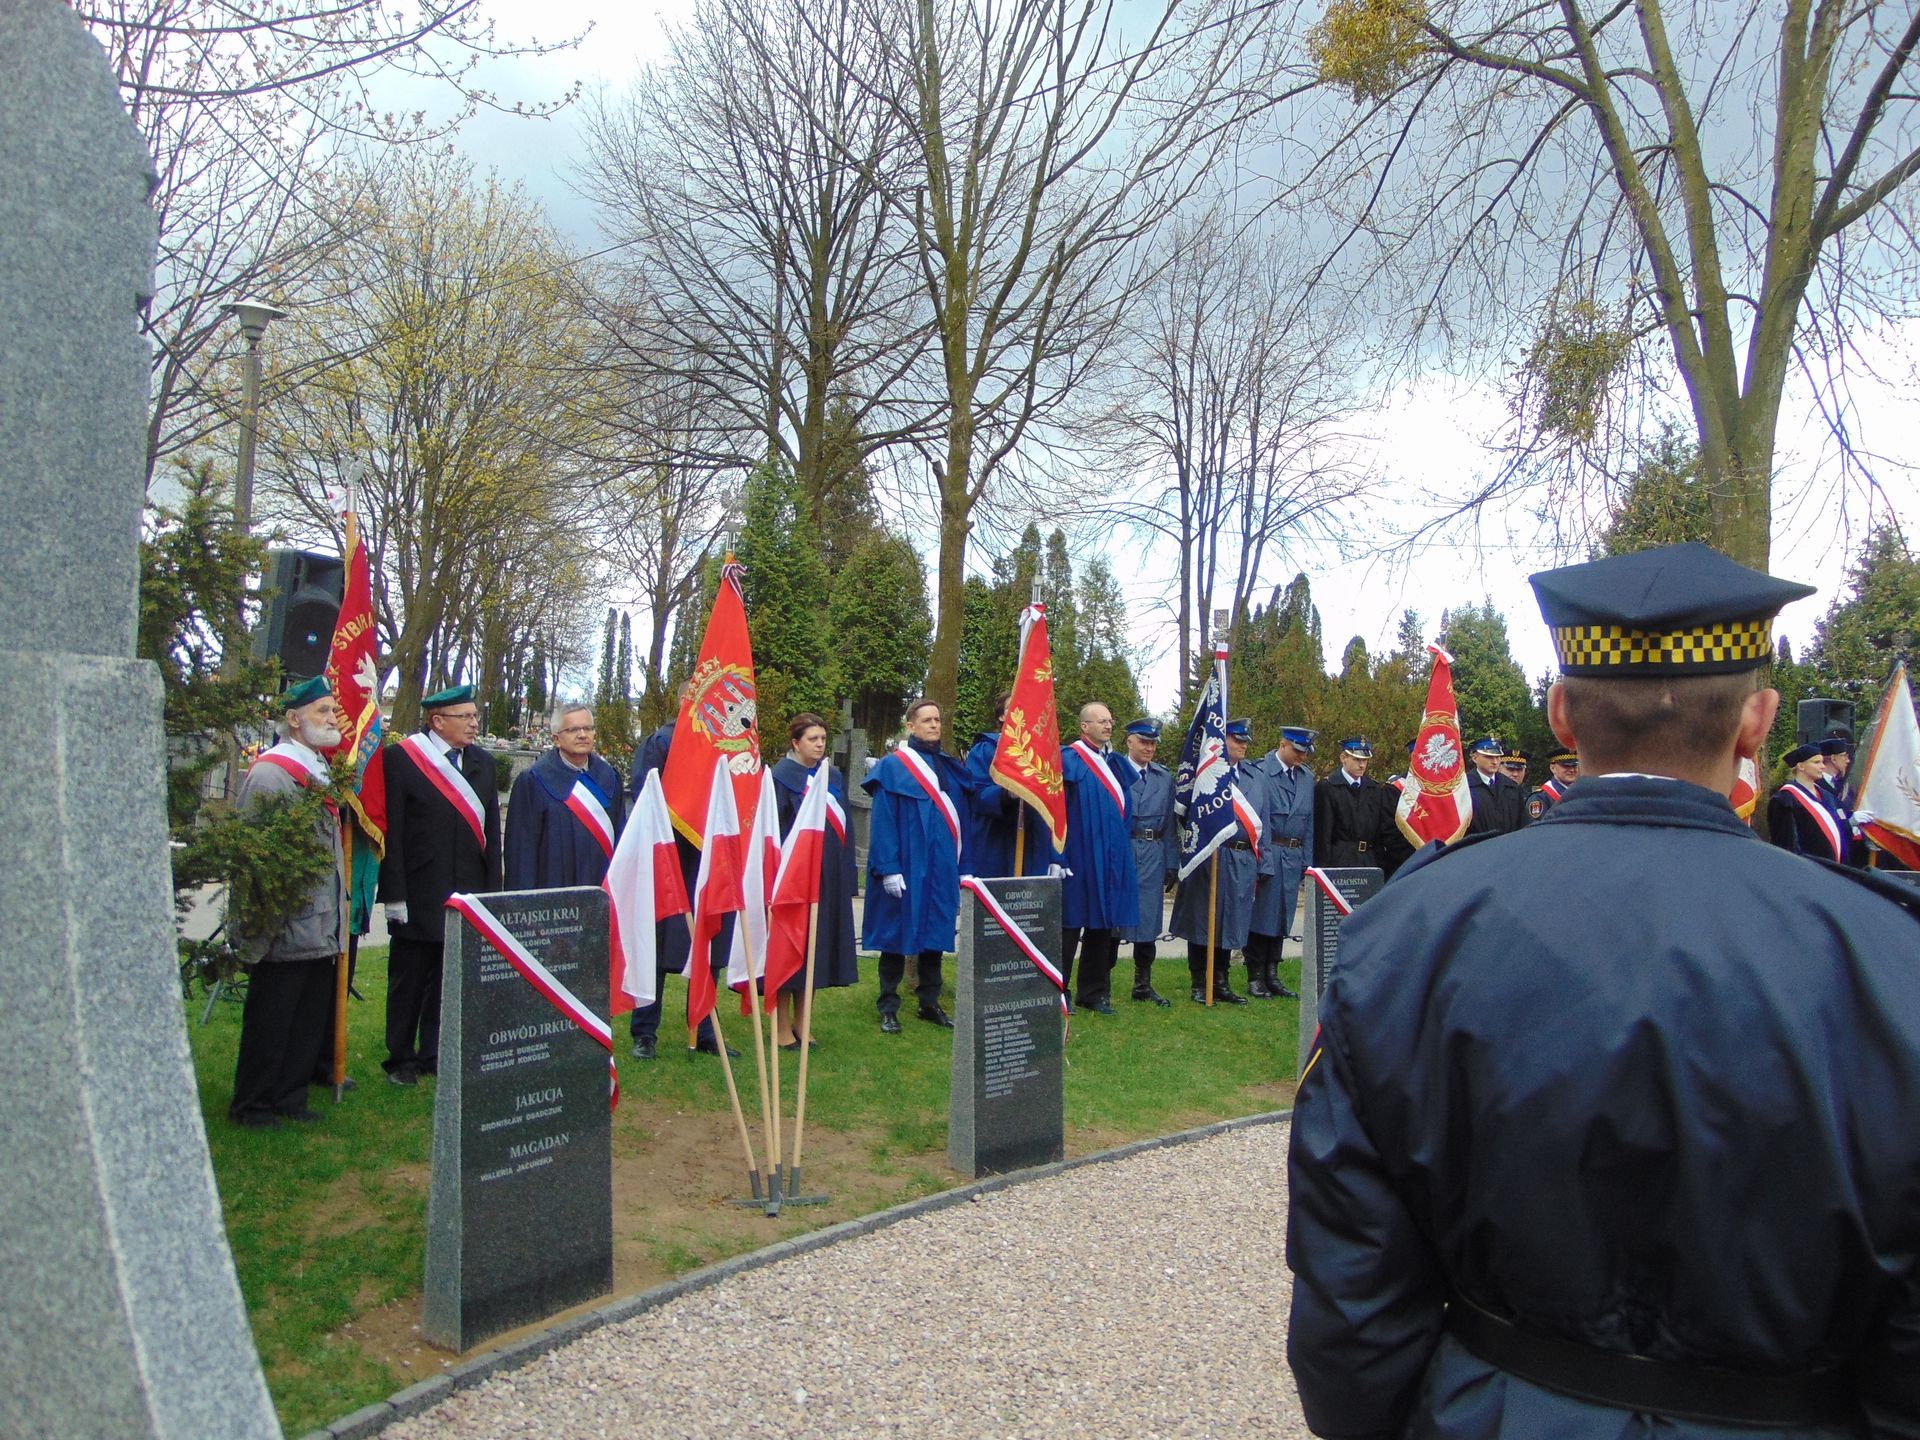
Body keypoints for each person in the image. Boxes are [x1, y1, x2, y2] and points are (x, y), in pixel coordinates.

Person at [1287, 540, 1920, 1438]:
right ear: (1756, 722)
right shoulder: (1888, 958)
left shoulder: (1409, 937)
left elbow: (1352, 1302)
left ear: (1562, 715)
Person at [228, 676, 348, 1128]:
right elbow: (255, 858)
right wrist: (257, 927)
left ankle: (289, 1097)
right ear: (293, 720)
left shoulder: (318, 768)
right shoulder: (271, 773)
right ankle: (253, 1103)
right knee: (272, 1020)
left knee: (305, 1020)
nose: (332, 718)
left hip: (319, 920)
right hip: (283, 922)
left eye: (333, 710)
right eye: (322, 711)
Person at [378, 684, 501, 1085]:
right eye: (465, 716)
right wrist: (394, 894)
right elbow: (391, 832)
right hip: (418, 888)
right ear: (437, 721)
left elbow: (491, 835)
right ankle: (400, 1058)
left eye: (474, 715)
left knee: (448, 979)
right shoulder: (402, 759)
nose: (473, 723)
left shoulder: (482, 762)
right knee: (409, 978)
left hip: (466, 889)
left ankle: (435, 1053)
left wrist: (492, 894)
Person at [625, 681, 733, 1061]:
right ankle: (644, 1032)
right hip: (670, 857)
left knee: (709, 941)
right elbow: (645, 794)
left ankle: (705, 1028)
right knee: (657, 944)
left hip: (712, 858)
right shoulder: (662, 742)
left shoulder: (727, 747)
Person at [863, 698, 968, 1033]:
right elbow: (883, 822)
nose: (934, 725)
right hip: (906, 866)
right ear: (910, 726)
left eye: (937, 719)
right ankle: (888, 1005)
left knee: (935, 934)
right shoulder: (894, 767)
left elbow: (962, 818)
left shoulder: (948, 766)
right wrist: (889, 867)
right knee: (896, 934)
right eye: (926, 720)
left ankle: (929, 1002)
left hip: (940, 867)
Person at [768, 714, 859, 1048]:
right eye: (812, 739)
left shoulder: (832, 776)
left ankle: (803, 1024)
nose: (820, 744)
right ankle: (779, 1027)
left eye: (823, 739)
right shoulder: (781, 777)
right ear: (796, 743)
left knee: (815, 953)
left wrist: (848, 876)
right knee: (789, 949)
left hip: (828, 876)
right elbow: (775, 830)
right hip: (794, 878)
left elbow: (845, 828)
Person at [1170, 717, 1263, 1005]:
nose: (1243, 745)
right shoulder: (1205, 773)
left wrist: (1264, 863)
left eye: (1246, 741)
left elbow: (1265, 821)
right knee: (1202, 919)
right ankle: (1200, 981)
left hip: (1241, 857)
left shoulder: (1254, 776)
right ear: (1222, 742)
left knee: (1230, 921)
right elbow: (1184, 814)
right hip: (1209, 853)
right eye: (1238, 740)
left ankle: (1220, 981)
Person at [1058, 702, 1139, 1014]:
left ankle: (1093, 991)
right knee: (1070, 924)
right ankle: (1058, 990)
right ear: (1084, 726)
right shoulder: (1069, 760)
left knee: (1103, 924)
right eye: (1101, 721)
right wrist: (1059, 855)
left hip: (1111, 855)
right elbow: (1057, 813)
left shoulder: (1114, 764)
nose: (1108, 725)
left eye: (1110, 720)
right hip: (1079, 855)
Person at [503, 703, 625, 890]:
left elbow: (621, 840)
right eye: (573, 729)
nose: (583, 735)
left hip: (602, 888)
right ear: (556, 739)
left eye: (588, 728)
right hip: (553, 890)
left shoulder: (609, 777)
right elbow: (521, 851)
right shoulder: (534, 781)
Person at [1247, 725, 1315, 1000]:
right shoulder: (1260, 771)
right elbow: (1255, 819)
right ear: (1282, 744)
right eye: (1297, 751)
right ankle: (1255, 975)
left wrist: (1306, 861)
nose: (1302, 757)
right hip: (1270, 851)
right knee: (1262, 917)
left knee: (1283, 917)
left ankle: (1273, 972)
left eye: (1305, 753)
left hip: (1293, 854)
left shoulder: (1307, 778)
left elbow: (1308, 823)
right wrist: (1260, 859)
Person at [1113, 718, 1176, 1006]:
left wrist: (1172, 862)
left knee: (1148, 922)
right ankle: (1100, 983)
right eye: (1144, 742)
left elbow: (1171, 825)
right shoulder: (1114, 772)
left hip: (1153, 851)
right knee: (1112, 921)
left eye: (1153, 743)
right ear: (1129, 741)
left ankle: (1143, 983)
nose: (1149, 748)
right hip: (1123, 848)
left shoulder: (1164, 777)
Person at [961, 691, 1057, 877]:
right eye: (1014, 707)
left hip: (1034, 842)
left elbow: (1054, 807)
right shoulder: (985, 749)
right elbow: (976, 794)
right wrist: (1007, 794)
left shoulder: (1041, 754)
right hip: (997, 841)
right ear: (1002, 715)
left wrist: (1056, 856)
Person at [1314, 736, 1410, 878]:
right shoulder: (1328, 787)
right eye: (1356, 759)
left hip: (1369, 860)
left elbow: (1379, 831)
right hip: (1339, 860)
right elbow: (1323, 833)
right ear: (1343, 758)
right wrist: (1322, 869)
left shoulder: (1374, 788)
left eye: (1364, 760)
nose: (1362, 765)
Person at [1767, 741, 1846, 862]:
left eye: (1822, 762)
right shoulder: (1785, 799)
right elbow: (1787, 845)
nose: (1823, 766)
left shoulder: (1826, 795)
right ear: (1801, 766)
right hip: (1808, 869)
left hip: (1832, 868)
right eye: (1816, 762)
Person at [1465, 735, 1529, 835]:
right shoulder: (1465, 787)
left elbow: (1523, 823)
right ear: (1474, 758)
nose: (1495, 762)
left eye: (1498, 757)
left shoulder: (1511, 787)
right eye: (1489, 757)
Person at [1526, 747, 1579, 820]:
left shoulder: (1582, 793)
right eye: (1566, 766)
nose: (1572, 770)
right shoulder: (1540, 798)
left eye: (1574, 766)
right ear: (1552, 768)